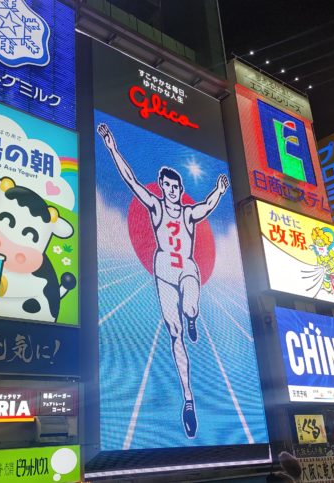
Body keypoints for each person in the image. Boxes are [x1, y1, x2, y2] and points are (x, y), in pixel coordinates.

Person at [98, 123, 229, 439]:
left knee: (191, 306)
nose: (170, 190)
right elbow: (130, 181)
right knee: (174, 332)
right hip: (164, 272)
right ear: (161, 187)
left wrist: (220, 190)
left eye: (175, 186)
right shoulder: (155, 207)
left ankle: (192, 315)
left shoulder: (188, 213)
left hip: (187, 269)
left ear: (180, 189)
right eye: (166, 185)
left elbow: (208, 206)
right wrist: (112, 147)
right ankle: (188, 400)